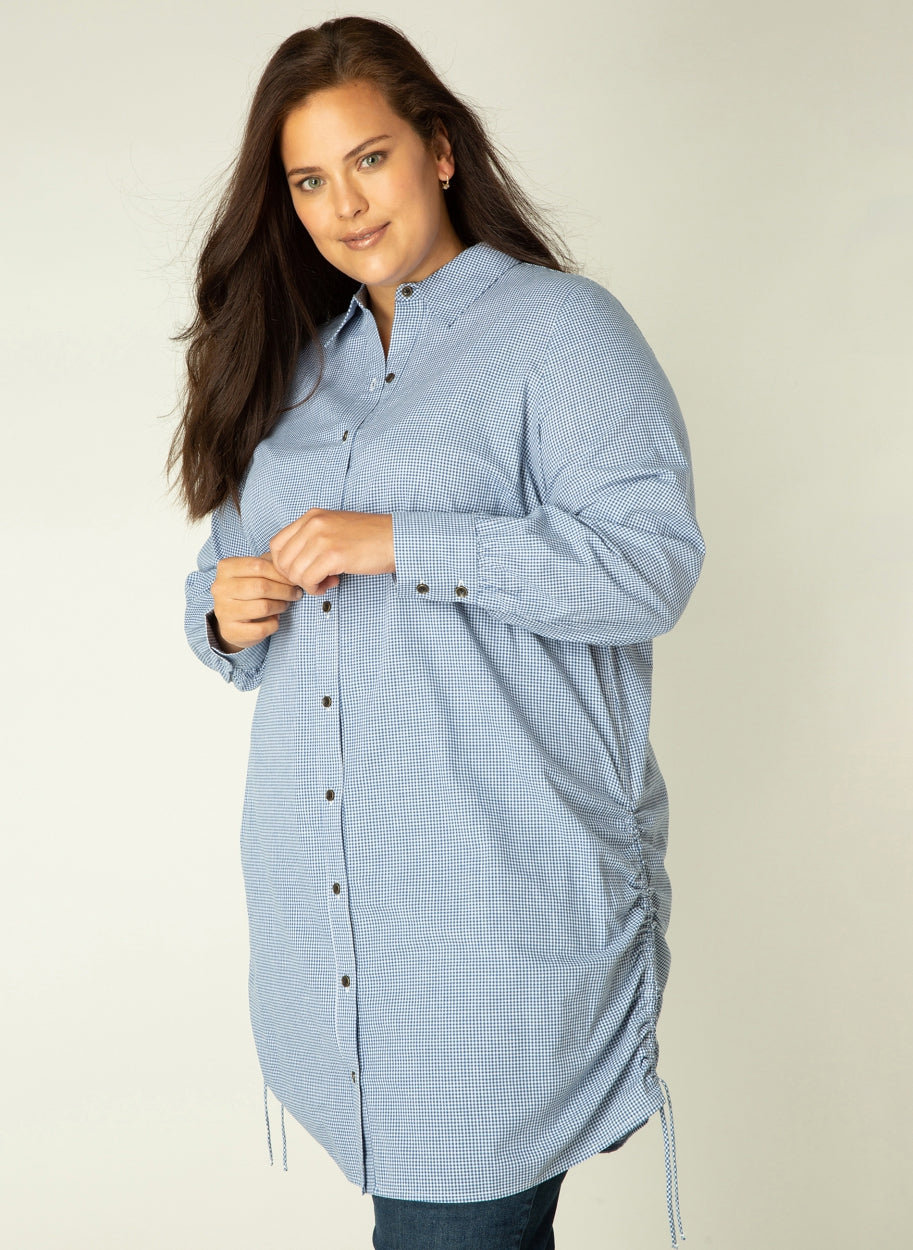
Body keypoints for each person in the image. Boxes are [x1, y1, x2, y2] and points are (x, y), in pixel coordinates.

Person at [173, 15, 704, 1250]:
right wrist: (222, 608)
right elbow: (221, 578)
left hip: (494, 927)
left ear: (441, 151)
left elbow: (648, 567)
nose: (345, 205)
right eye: (309, 180)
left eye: (369, 159)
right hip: (333, 929)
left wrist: (400, 539)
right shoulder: (295, 369)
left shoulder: (561, 332)